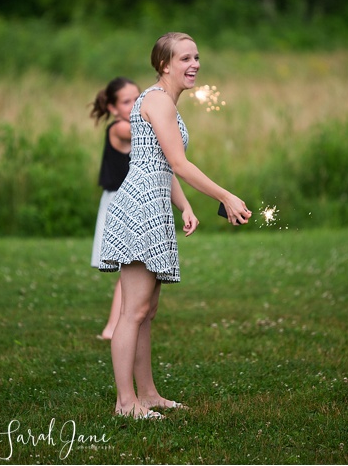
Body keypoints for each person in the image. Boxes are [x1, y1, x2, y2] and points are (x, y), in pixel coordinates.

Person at [99, 32, 251, 420]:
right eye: (185, 58)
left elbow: (159, 164)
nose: (194, 64)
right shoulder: (159, 102)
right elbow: (179, 164)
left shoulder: (162, 102)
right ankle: (125, 403)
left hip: (156, 204)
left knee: (146, 311)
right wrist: (225, 196)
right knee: (132, 311)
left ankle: (147, 395)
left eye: (197, 56)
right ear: (164, 64)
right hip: (140, 208)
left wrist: (183, 205)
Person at [89, 77, 140, 341]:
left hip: (132, 203)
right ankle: (112, 327)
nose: (135, 105)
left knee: (131, 271)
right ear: (112, 108)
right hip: (119, 205)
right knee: (129, 271)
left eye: (137, 98)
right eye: (127, 101)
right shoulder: (120, 128)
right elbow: (148, 132)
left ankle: (114, 326)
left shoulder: (133, 123)